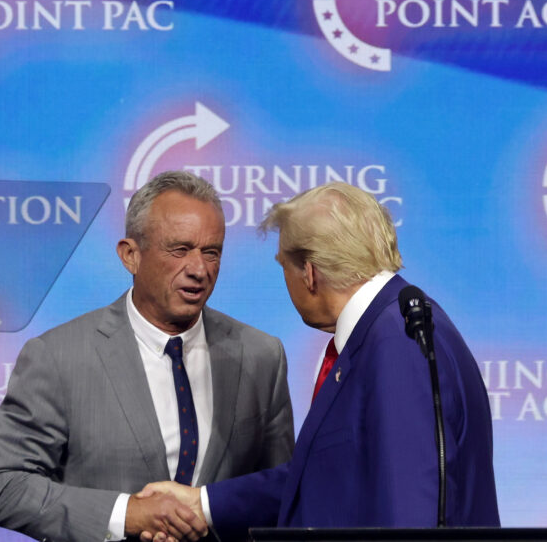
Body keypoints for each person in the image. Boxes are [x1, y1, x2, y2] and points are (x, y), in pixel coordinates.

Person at [140, 181, 500, 537]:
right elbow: (322, 474)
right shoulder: (387, 330)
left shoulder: (397, 343)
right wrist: (202, 503)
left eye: (284, 266)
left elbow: (409, 509)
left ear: (309, 273)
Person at [0, 171, 294, 542]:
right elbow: (1, 487)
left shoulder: (261, 356)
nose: (199, 269)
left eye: (211, 252)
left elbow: (283, 494)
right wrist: (128, 514)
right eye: (179, 249)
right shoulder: (58, 356)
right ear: (131, 255)